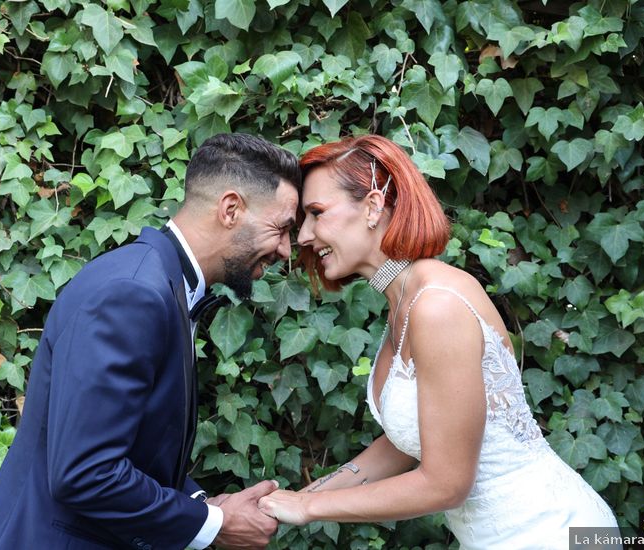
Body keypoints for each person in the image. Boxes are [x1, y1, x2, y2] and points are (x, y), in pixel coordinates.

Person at [257, 135, 619, 549]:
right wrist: (302, 497)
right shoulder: (405, 302)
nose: (303, 236)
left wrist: (308, 510)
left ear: (373, 206)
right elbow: (403, 445)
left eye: (316, 213)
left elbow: (446, 485)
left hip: (547, 532)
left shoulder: (437, 306)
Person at [0, 133, 301, 550]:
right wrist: (212, 526)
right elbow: (86, 472)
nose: (286, 250)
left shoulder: (160, 283)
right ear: (230, 209)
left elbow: (136, 448)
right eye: (281, 228)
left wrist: (205, 505)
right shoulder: (133, 293)